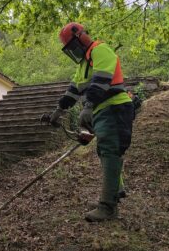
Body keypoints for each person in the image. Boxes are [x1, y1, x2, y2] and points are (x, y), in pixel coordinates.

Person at [46, 22, 134, 222]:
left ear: (82, 37)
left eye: (73, 46)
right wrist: (58, 111)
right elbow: (74, 90)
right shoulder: (83, 64)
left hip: (115, 107)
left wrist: (88, 106)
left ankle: (108, 207)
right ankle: (115, 191)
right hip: (102, 110)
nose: (74, 51)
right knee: (105, 151)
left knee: (110, 151)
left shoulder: (100, 50)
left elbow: (101, 81)